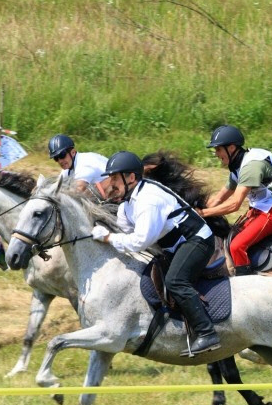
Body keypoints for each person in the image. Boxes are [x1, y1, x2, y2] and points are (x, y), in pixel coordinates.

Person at [91, 151, 221, 357]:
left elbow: (140, 240)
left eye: (115, 178)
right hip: (176, 245)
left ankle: (207, 333)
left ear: (131, 178)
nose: (110, 183)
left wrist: (108, 238)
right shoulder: (126, 204)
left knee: (175, 281)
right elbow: (126, 233)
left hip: (197, 241)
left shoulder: (147, 200)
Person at [198, 125, 272, 277]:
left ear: (231, 148)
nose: (216, 154)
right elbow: (219, 198)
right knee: (229, 239)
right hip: (259, 209)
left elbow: (234, 204)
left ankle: (246, 284)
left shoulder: (251, 166)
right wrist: (193, 212)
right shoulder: (237, 167)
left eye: (218, 149)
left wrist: (204, 213)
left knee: (237, 246)